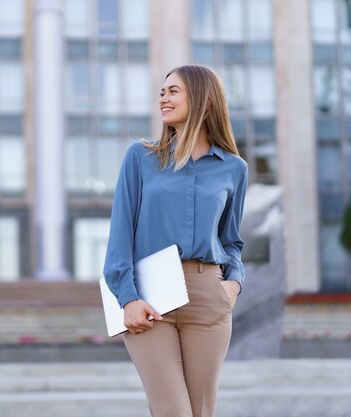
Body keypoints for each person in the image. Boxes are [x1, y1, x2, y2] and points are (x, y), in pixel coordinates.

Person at [102, 64, 248, 417]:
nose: (163, 98)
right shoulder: (141, 158)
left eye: (173, 91)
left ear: (202, 99)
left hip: (208, 294)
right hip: (149, 300)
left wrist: (234, 284)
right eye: (162, 92)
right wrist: (128, 297)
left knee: (201, 412)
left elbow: (232, 242)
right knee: (173, 412)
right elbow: (120, 234)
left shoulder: (234, 168)